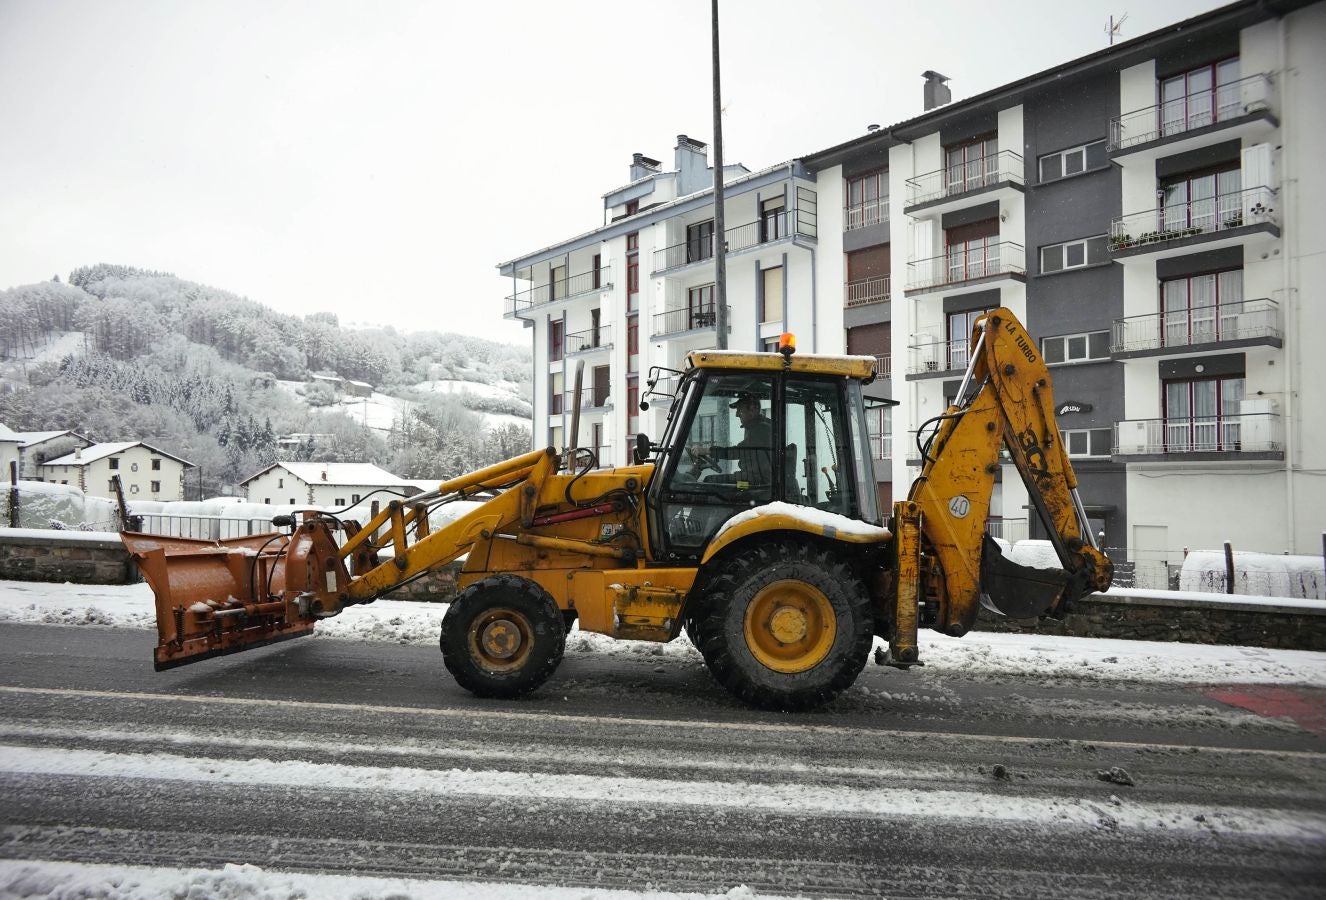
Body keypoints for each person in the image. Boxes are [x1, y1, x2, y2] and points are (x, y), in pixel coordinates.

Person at [713, 391, 773, 485]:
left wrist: (708, 451)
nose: (737, 414)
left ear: (752, 410)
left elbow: (738, 451)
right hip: (753, 480)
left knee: (711, 481)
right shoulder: (756, 426)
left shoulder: (761, 429)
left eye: (740, 410)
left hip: (755, 483)